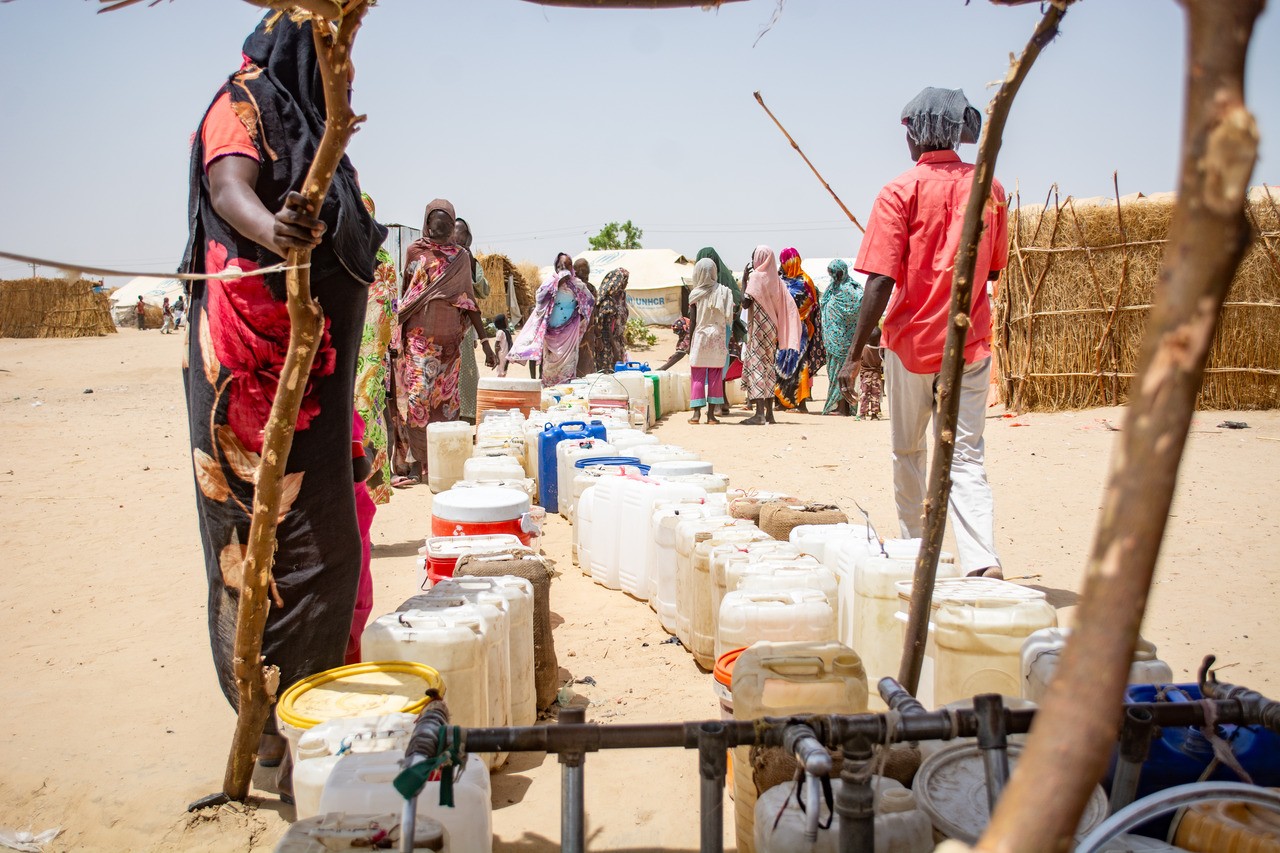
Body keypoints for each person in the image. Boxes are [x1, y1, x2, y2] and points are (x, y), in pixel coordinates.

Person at [180, 14, 388, 797]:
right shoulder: (243, 104)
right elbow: (229, 187)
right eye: (335, 54)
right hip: (254, 383)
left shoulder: (315, 131)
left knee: (329, 552)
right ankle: (271, 735)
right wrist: (280, 230)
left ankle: (303, 733)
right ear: (303, 48)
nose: (347, 71)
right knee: (260, 553)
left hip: (313, 391)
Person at [838, 86, 1008, 579]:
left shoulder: (898, 192)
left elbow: (880, 281)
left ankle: (917, 554)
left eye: (908, 131)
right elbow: (992, 270)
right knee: (966, 455)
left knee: (909, 451)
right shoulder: (989, 189)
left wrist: (853, 355)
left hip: (910, 344)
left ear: (919, 133)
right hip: (968, 343)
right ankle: (981, 559)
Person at [396, 200, 496, 477]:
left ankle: (439, 462)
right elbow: (408, 293)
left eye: (446, 226)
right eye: (435, 225)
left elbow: (469, 301)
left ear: (452, 226)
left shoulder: (461, 258)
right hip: (418, 340)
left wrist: (486, 343)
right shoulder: (415, 251)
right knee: (417, 399)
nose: (439, 230)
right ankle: (417, 458)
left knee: (446, 405)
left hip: (450, 345)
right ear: (427, 223)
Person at [354, 192, 396, 504]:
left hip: (370, 357)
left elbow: (386, 313)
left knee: (366, 414)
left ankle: (368, 489)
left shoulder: (383, 262)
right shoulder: (335, 255)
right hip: (339, 353)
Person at [509, 252, 595, 387]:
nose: (564, 268)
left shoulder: (577, 284)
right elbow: (540, 300)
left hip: (569, 335)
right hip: (550, 335)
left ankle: (564, 394)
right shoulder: (549, 282)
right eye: (561, 266)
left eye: (568, 265)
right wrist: (559, 282)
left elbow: (590, 301)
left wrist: (577, 319)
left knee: (567, 372)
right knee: (549, 371)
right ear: (556, 267)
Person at [740, 246, 801, 426]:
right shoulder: (776, 279)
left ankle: (759, 414)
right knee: (768, 367)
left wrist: (744, 280)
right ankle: (769, 414)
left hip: (759, 328)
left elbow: (745, 303)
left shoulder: (756, 277)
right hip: (772, 328)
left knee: (757, 366)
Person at [774, 248, 825, 413]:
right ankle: (782, 401)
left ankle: (801, 403)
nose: (781, 265)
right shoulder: (779, 280)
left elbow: (812, 305)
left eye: (783, 262)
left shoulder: (805, 282)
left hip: (798, 330)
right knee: (780, 362)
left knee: (799, 364)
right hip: (783, 329)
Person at [695, 246, 742, 416]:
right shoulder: (726, 280)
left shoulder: (701, 284)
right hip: (724, 328)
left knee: (707, 365)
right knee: (719, 363)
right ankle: (722, 402)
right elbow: (738, 301)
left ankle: (714, 406)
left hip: (708, 329)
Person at [686, 257, 735, 424]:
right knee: (715, 376)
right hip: (717, 338)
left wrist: (690, 343)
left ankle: (696, 415)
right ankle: (712, 416)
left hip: (700, 337)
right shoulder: (724, 291)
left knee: (697, 376)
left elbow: (693, 321)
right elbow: (730, 317)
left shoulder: (695, 294)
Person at [453, 217, 491, 425]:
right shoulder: (440, 256)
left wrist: (472, 264)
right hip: (441, 324)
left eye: (462, 233)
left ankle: (466, 416)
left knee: (465, 371)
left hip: (465, 329)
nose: (457, 236)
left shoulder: (471, 260)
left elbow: (483, 291)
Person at [820, 259, 862, 415]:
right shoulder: (832, 289)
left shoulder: (851, 289)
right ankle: (839, 405)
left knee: (843, 373)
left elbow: (860, 306)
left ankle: (844, 408)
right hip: (832, 339)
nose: (833, 275)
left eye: (836, 272)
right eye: (831, 272)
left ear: (842, 272)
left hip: (845, 340)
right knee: (833, 374)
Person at [588, 268, 630, 373]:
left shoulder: (620, 297)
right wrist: (615, 349)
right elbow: (606, 328)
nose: (626, 283)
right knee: (608, 373)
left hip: (616, 342)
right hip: (607, 344)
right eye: (625, 280)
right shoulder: (608, 302)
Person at [573, 258, 598, 377]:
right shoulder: (570, 288)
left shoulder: (591, 289)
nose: (585, 279)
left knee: (587, 369)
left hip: (588, 336)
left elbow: (596, 313)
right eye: (582, 272)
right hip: (572, 335)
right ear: (575, 272)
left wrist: (597, 335)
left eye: (587, 272)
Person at [858, 326, 884, 420]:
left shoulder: (863, 349)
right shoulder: (880, 350)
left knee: (864, 394)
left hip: (865, 375)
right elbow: (883, 362)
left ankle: (862, 414)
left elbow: (859, 360)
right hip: (876, 375)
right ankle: (874, 414)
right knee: (875, 395)